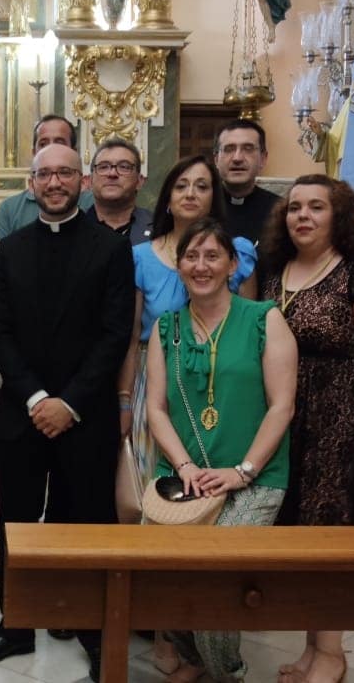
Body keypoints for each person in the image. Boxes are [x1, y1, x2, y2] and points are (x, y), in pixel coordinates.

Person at [0, 144, 133, 681]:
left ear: (82, 181)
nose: (55, 182)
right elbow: (2, 331)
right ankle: (15, 626)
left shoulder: (110, 248)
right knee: (16, 524)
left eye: (65, 172)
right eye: (45, 174)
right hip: (24, 411)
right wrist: (38, 399)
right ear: (31, 184)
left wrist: (70, 402)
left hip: (86, 414)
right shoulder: (10, 248)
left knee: (83, 522)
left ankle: (86, 626)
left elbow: (114, 334)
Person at [261, 175, 354, 683]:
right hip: (286, 420)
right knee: (300, 536)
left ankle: (331, 655)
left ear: (337, 216)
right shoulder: (276, 271)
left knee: (329, 536)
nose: (302, 215)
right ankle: (311, 648)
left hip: (340, 420)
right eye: (295, 207)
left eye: (316, 207)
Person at [145, 219, 297, 682]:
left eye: (213, 256)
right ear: (179, 264)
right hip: (183, 478)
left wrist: (243, 471)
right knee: (163, 578)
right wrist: (186, 465)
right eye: (191, 256)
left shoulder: (264, 318)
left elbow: (282, 406)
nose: (201, 265)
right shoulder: (166, 328)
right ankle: (193, 660)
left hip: (253, 478)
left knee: (215, 580)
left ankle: (226, 671)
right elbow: (154, 408)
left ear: (233, 264)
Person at [120, 156, 257, 518]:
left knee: (215, 482)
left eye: (201, 185)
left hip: (221, 376)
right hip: (157, 379)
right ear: (167, 197)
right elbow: (132, 336)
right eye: (181, 185)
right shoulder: (140, 257)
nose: (191, 193)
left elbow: (251, 327)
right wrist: (124, 399)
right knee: (160, 484)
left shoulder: (238, 251)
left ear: (215, 197)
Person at [0, 115, 93, 238]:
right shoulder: (10, 209)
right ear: (34, 153)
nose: (51, 148)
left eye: (59, 143)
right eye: (43, 144)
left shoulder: (93, 203)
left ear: (74, 151)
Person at [213, 119, 281, 244]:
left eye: (248, 149)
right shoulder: (202, 206)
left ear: (263, 159)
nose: (237, 158)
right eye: (229, 149)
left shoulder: (280, 210)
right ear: (216, 159)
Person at [82, 138, 152, 244]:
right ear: (90, 180)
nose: (112, 173)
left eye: (124, 167)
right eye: (103, 167)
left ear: (139, 181)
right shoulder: (72, 227)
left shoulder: (160, 228)